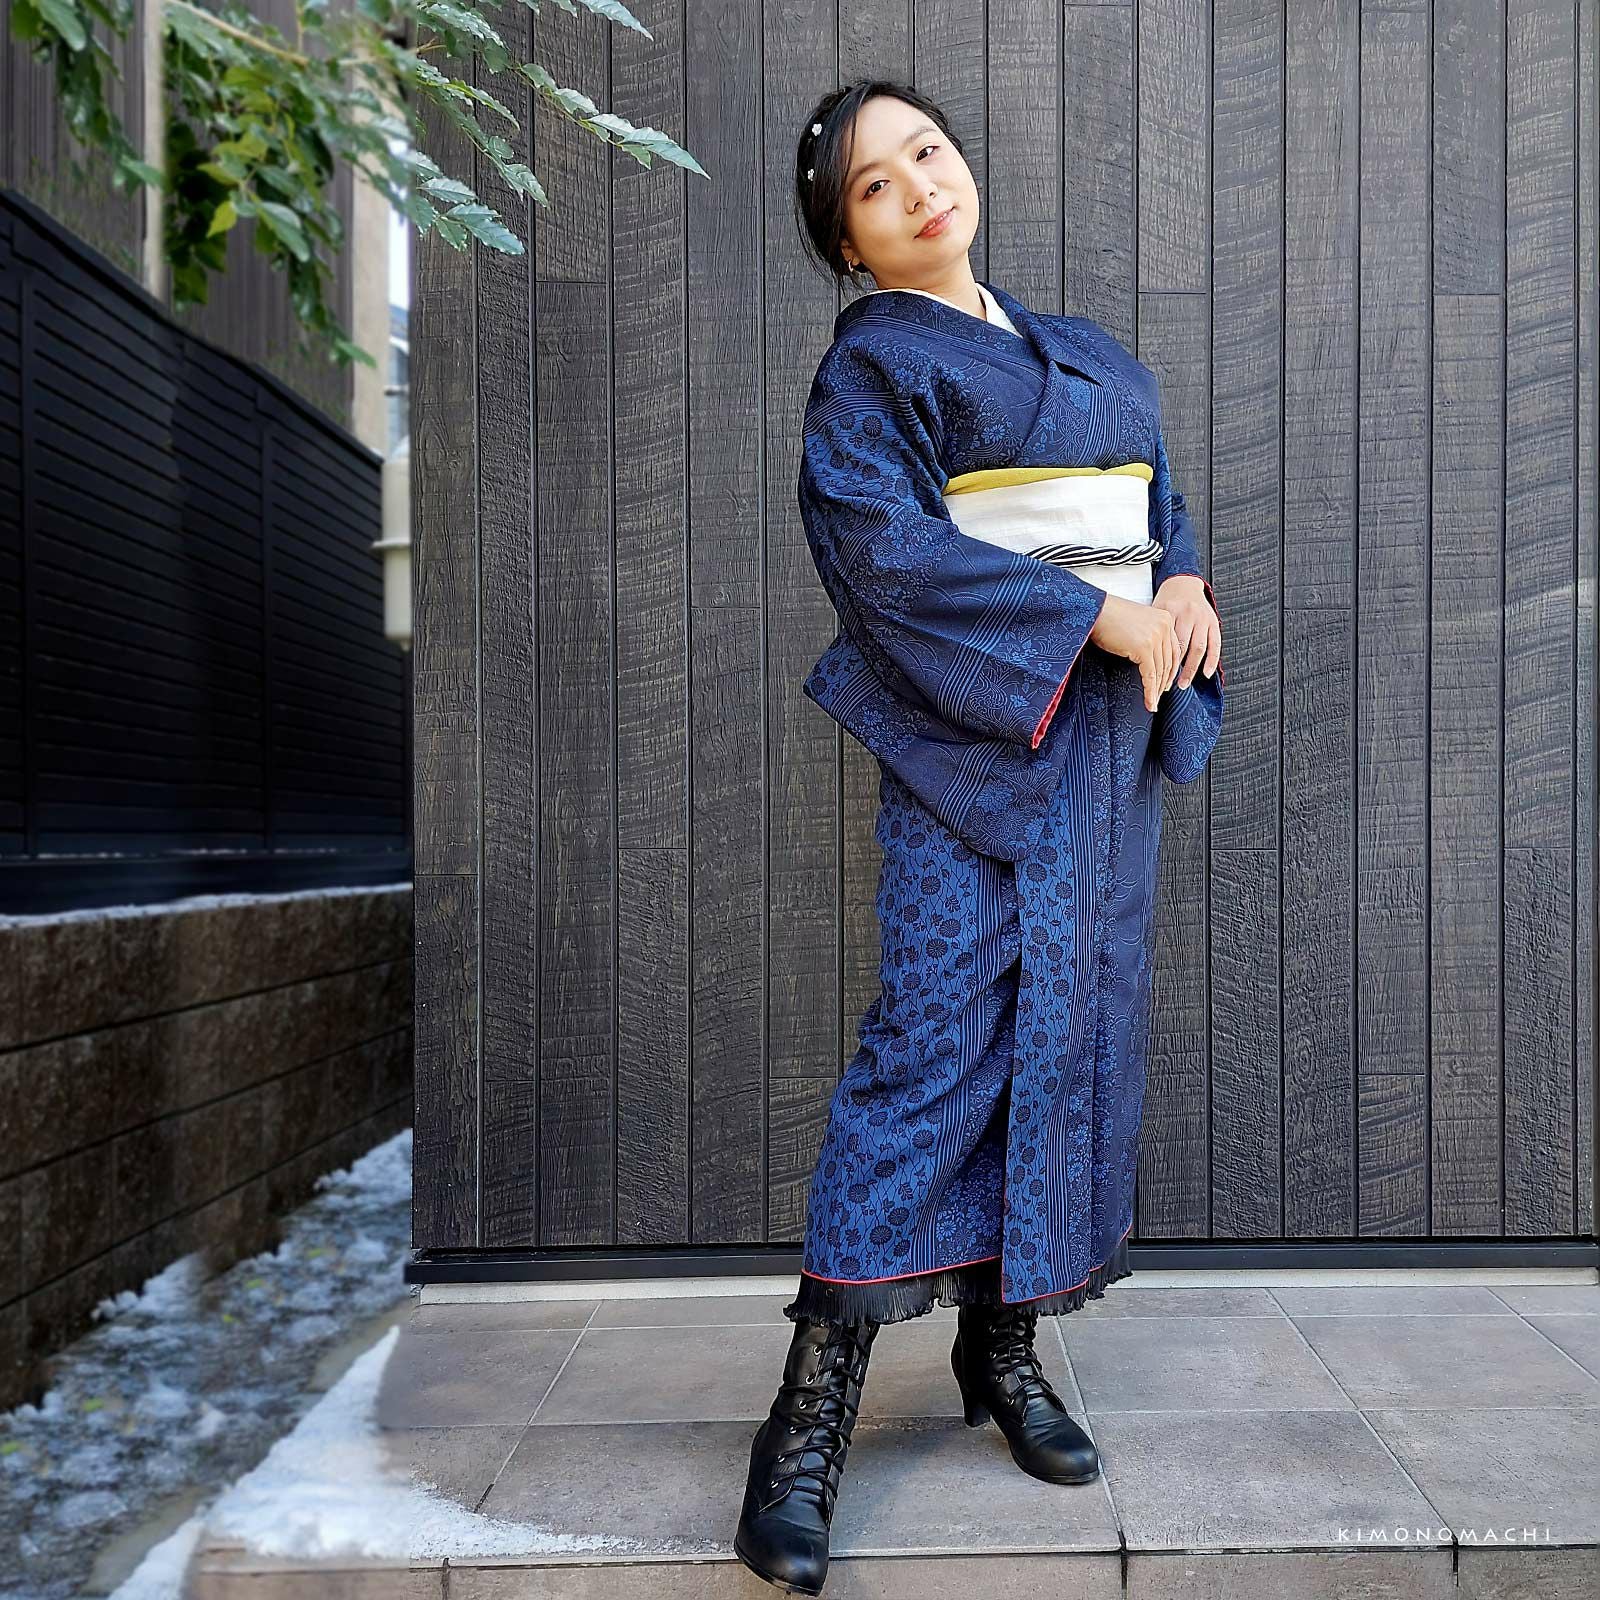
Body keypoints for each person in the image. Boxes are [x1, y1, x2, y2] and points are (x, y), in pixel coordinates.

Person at [733, 81, 1225, 1597]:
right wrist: (1096, 615)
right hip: (979, 751)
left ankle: (999, 1351)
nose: (919, 189)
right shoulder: (872, 373)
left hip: (1104, 753)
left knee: (1069, 1038)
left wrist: (1181, 590)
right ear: (849, 244)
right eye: (876, 187)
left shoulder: (1088, 354)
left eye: (927, 155)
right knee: (933, 1043)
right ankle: (808, 1414)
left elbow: (1156, 509)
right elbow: (884, 552)